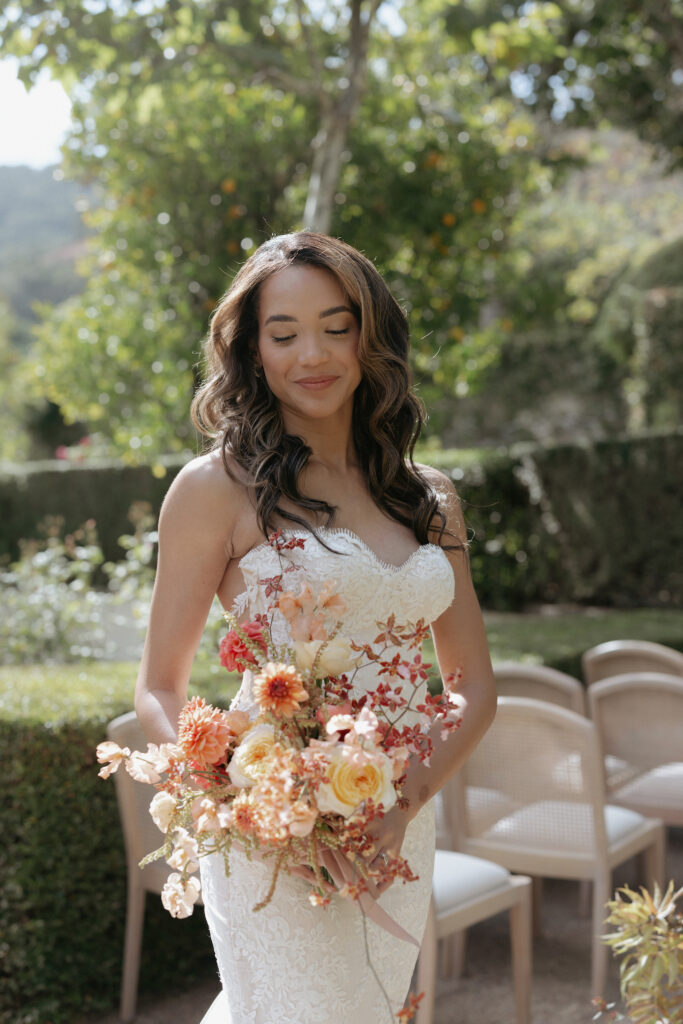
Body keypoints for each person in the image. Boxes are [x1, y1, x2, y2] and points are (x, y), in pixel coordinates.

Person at [134, 231, 496, 1024]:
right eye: (284, 332)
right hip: (275, 837)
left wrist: (402, 806)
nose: (313, 354)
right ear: (251, 350)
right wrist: (253, 801)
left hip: (397, 823)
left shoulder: (428, 496)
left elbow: (471, 687)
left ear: (372, 338)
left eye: (337, 327)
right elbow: (159, 688)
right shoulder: (212, 489)